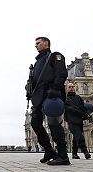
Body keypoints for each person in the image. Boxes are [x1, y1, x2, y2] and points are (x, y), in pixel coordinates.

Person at [27, 37, 70, 165]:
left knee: (54, 124)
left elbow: (61, 73)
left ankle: (63, 156)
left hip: (51, 94)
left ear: (46, 44)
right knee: (35, 123)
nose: (36, 46)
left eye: (38, 43)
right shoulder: (36, 63)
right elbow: (33, 81)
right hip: (38, 97)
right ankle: (49, 150)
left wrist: (55, 88)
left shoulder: (54, 56)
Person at [65, 83, 91, 159]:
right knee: (79, 135)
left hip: (79, 119)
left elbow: (82, 107)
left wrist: (86, 115)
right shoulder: (65, 98)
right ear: (66, 88)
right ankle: (85, 151)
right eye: (70, 87)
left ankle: (74, 153)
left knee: (76, 137)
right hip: (71, 119)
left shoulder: (78, 97)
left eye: (73, 87)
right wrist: (74, 110)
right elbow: (65, 107)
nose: (71, 88)